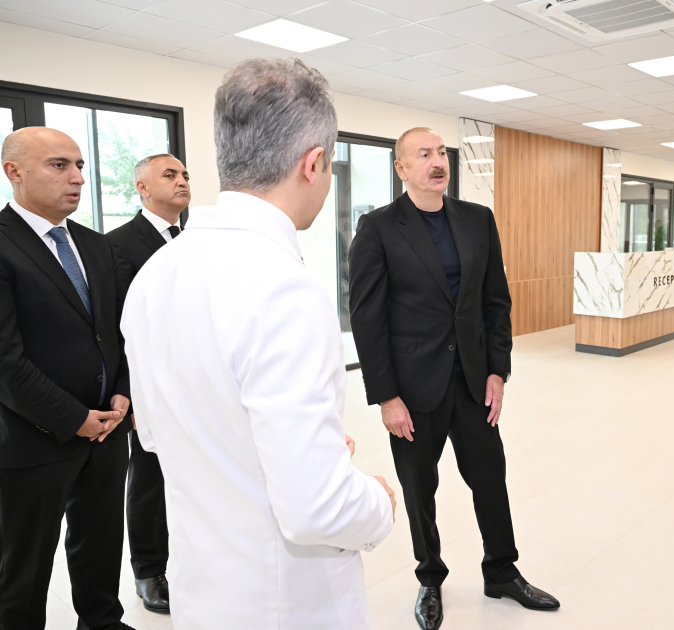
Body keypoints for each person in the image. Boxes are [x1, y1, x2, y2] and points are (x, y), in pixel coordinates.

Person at [120, 58, 396, 630]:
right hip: (284, 601)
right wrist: (377, 501)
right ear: (313, 163)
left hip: (204, 588)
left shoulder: (154, 275)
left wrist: (298, 443)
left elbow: (155, 433)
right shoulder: (285, 289)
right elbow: (316, 509)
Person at [348, 127, 560, 630]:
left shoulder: (477, 219)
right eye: (424, 154)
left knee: (490, 478)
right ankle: (430, 578)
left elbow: (496, 301)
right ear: (401, 169)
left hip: (472, 381)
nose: (437, 161)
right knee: (419, 488)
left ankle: (502, 572)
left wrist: (497, 370)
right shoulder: (378, 228)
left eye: (441, 152)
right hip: (412, 388)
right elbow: (366, 318)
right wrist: (386, 397)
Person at [0, 127, 133, 630]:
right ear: (14, 172)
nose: (77, 177)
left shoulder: (95, 246)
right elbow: (6, 361)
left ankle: (102, 622)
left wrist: (122, 393)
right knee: (24, 568)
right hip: (32, 438)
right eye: (59, 165)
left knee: (101, 547)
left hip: (106, 433)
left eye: (79, 165)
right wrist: (75, 418)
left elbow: (116, 333)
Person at [106, 153, 191, 614]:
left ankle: (189, 558)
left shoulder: (196, 240)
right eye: (170, 175)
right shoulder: (117, 246)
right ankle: (149, 570)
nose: (182, 181)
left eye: (185, 175)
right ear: (142, 187)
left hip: (196, 381)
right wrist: (131, 395)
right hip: (148, 386)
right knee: (149, 479)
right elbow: (115, 329)